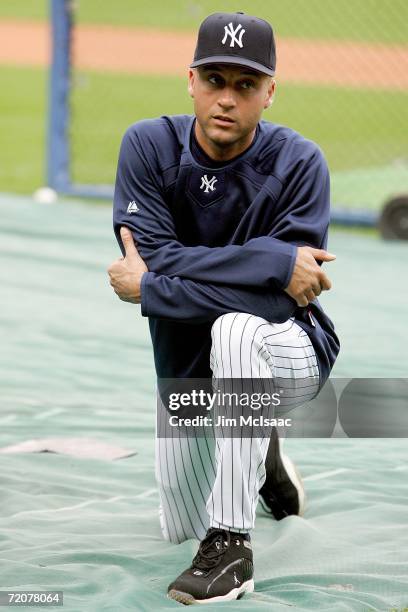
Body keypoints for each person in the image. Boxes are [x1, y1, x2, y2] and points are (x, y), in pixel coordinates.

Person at [107, 11, 340, 605]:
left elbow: (279, 302)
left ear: (270, 91)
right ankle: (260, 454)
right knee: (177, 527)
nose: (227, 98)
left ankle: (231, 545)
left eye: (245, 84)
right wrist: (269, 261)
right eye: (215, 80)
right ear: (190, 80)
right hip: (186, 365)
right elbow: (155, 255)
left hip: (290, 349)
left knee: (239, 328)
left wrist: (157, 286)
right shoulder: (147, 145)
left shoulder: (300, 162)